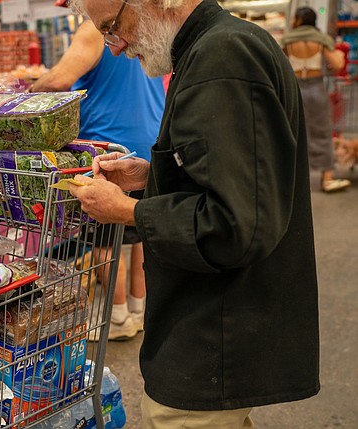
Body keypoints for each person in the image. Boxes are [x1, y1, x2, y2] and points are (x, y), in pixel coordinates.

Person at [66, 0, 320, 427]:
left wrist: (128, 211)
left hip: (213, 338)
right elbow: (233, 177)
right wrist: (151, 177)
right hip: (214, 330)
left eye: (113, 26)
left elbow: (234, 224)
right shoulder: (214, 48)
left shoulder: (221, 59)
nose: (115, 46)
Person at [30, 15, 166, 341]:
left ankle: (116, 315)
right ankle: (137, 309)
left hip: (109, 149)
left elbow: (58, 80)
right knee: (138, 234)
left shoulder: (94, 30)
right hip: (148, 141)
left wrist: (25, 96)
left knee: (105, 240)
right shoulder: (138, 25)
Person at [282, 7, 350, 193]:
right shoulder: (320, 39)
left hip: (295, 89)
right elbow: (336, 64)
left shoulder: (288, 39)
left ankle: (291, 181)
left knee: (292, 132)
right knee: (322, 132)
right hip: (316, 87)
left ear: (298, 20)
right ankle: (327, 179)